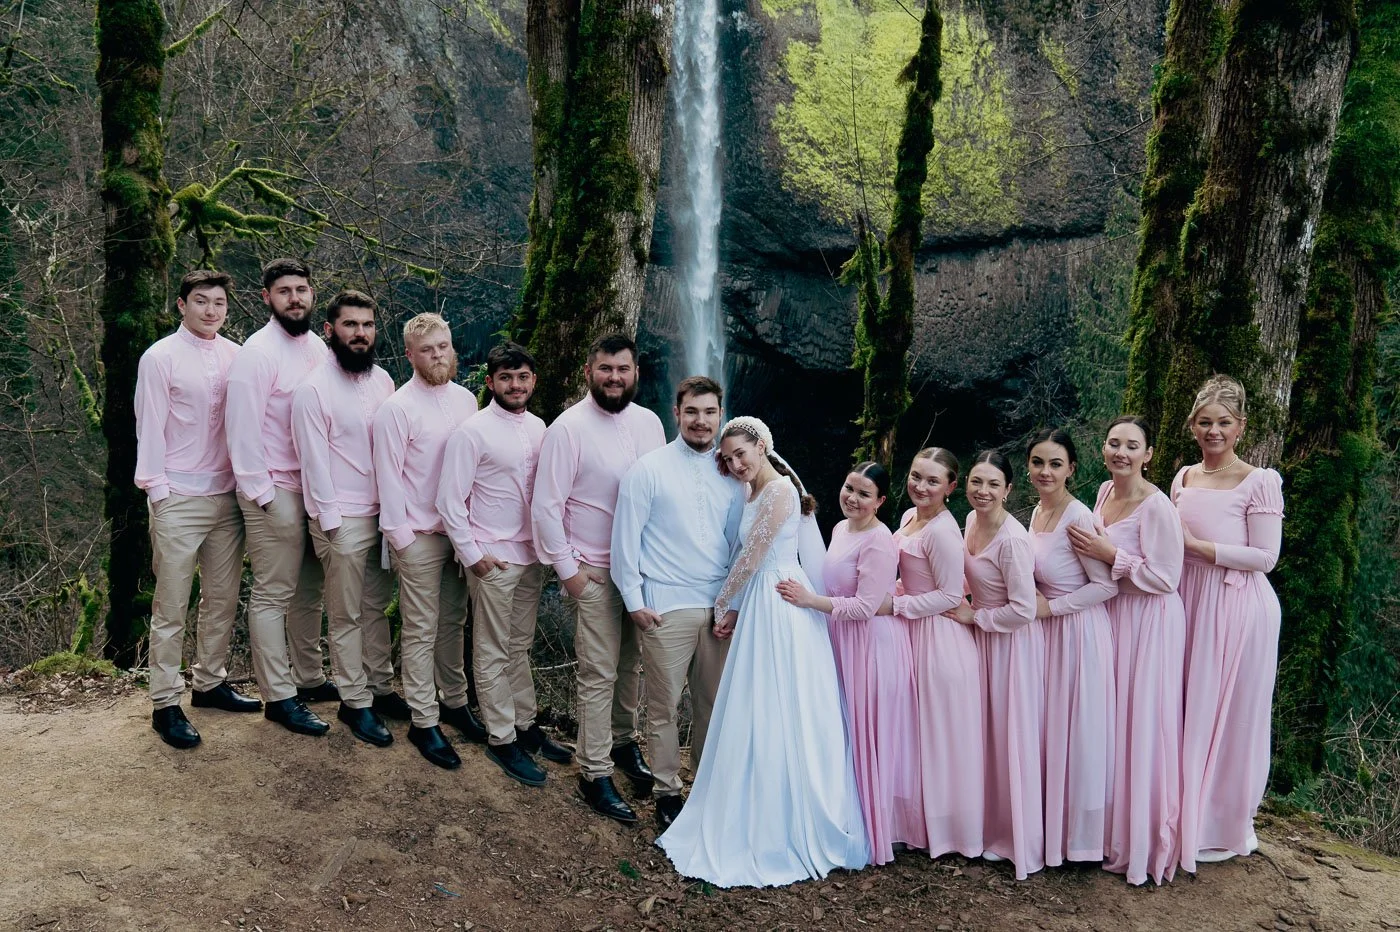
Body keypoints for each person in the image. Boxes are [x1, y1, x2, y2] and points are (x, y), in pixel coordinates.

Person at [657, 416, 868, 888]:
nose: (735, 464)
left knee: (779, 703)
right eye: (728, 458)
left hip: (779, 602)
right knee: (753, 703)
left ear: (762, 446)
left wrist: (722, 602)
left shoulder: (780, 492)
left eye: (741, 454)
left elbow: (752, 557)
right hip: (758, 601)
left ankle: (785, 816)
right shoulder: (752, 491)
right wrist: (734, 606)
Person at [531, 333, 666, 822]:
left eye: (623, 369)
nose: (614, 377)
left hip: (642, 573)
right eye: (605, 369)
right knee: (598, 672)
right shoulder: (568, 428)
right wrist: (570, 574)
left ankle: (623, 743)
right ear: (589, 372)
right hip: (594, 572)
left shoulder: (651, 423)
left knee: (630, 665)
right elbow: (545, 507)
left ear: (636, 373)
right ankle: (594, 772)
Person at [610, 375, 745, 829]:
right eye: (692, 411)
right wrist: (635, 601)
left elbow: (739, 546)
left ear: (721, 415)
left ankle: (704, 787)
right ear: (676, 413)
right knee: (663, 708)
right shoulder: (648, 469)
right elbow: (625, 541)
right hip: (666, 606)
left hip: (719, 608)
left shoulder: (734, 475)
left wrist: (734, 604)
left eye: (709, 412)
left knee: (712, 704)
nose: (700, 421)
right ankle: (667, 791)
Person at [438, 341, 571, 786]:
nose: (515, 385)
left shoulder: (539, 427)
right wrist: (473, 555)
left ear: (534, 381)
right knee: (492, 649)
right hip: (493, 559)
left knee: (518, 645)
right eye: (506, 378)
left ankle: (525, 724)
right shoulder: (472, 432)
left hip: (530, 555)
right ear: (490, 382)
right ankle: (501, 737)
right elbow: (449, 500)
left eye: (523, 377)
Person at [136, 270, 260, 748]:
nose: (211, 310)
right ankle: (165, 702)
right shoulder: (160, 357)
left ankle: (209, 682)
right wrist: (158, 491)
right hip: (178, 495)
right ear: (182, 304)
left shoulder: (237, 356)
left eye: (219, 303)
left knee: (222, 598)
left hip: (228, 495)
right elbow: (148, 424)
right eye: (201, 301)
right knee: (171, 604)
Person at [777, 462, 918, 866]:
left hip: (871, 646)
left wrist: (810, 600)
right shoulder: (841, 528)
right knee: (845, 732)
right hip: (841, 639)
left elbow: (865, 607)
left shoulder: (879, 541)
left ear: (881, 501)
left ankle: (880, 830)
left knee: (870, 732)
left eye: (863, 494)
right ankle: (847, 818)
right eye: (849, 488)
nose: (852, 498)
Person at [1068, 415, 1185, 886]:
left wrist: (1110, 555)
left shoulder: (1157, 507)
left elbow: (1166, 578)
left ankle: (1139, 838)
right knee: (1111, 721)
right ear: (1103, 449)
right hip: (1112, 614)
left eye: (1132, 445)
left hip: (1150, 620)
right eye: (1114, 443)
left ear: (1148, 454)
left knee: (1141, 721)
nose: (1121, 452)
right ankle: (1102, 828)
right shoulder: (1102, 492)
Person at [1172, 376, 1284, 869]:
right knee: (1186, 706)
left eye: (1223, 422)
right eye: (1205, 422)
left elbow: (1266, 557)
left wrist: (1199, 548)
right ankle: (1182, 813)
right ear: (1192, 426)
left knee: (1229, 712)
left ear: (1241, 426)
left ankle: (1221, 824)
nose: (1213, 431)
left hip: (1237, 605)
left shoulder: (1260, 481)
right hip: (1188, 601)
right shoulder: (1183, 477)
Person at [290, 290, 407, 748]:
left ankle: (379, 686)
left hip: (383, 515)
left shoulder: (383, 380)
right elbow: (312, 461)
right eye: (350, 325)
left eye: (368, 325)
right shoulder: (313, 390)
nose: (360, 333)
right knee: (346, 613)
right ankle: (354, 700)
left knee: (376, 606)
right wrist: (331, 523)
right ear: (329, 330)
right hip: (341, 518)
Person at [224, 258, 332, 736]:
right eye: (284, 291)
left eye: (301, 290)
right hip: (275, 491)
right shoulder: (257, 353)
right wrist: (263, 495)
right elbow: (240, 429)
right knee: (272, 594)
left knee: (309, 592)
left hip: (315, 491)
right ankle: (279, 696)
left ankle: (309, 678)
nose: (295, 298)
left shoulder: (318, 349)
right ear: (266, 297)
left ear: (312, 294)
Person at [373, 312, 481, 768]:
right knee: (420, 628)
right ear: (410, 355)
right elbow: (388, 477)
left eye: (443, 347)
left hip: (459, 535)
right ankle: (424, 719)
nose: (437, 356)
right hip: (416, 535)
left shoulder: (467, 401)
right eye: (427, 350)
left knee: (454, 621)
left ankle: (454, 701)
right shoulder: (397, 409)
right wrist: (400, 539)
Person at [879, 447, 983, 860]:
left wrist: (897, 604)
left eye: (933, 481)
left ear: (951, 487)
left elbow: (950, 594)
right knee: (914, 733)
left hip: (938, 638)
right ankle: (911, 820)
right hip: (911, 631)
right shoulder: (909, 517)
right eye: (916, 476)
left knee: (938, 735)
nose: (921, 486)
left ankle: (946, 829)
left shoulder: (942, 531)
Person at [950, 451, 1043, 880]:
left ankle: (1016, 837)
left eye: (992, 484)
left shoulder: (1012, 540)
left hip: (1011, 645)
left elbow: (1024, 609)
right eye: (976, 482)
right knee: (985, 733)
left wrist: (976, 617)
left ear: (1008, 490)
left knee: (1010, 734)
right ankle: (985, 824)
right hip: (982, 639)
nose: (982, 491)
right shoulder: (970, 521)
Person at [1026, 428, 1116, 869]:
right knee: (1050, 729)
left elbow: (1105, 586)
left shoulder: (1078, 517)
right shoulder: (1037, 512)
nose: (1045, 471)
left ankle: (1080, 840)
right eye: (1038, 462)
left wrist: (1053, 608)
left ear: (1071, 469)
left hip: (1078, 633)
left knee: (1079, 733)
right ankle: (1048, 827)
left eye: (1055, 464)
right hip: (1047, 635)